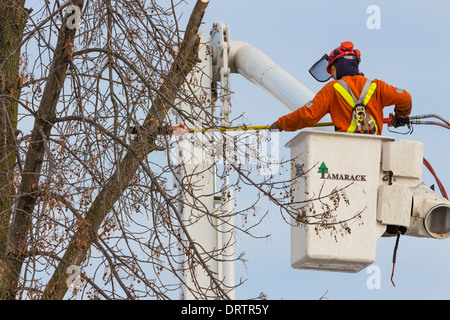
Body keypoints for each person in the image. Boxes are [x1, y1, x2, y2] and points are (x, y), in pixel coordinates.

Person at [270, 41, 412, 134]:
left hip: (345, 151)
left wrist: (281, 124)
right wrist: (401, 116)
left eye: (332, 70)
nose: (332, 76)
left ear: (339, 66)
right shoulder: (377, 86)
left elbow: (308, 114)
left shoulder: (333, 89)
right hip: (376, 151)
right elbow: (405, 97)